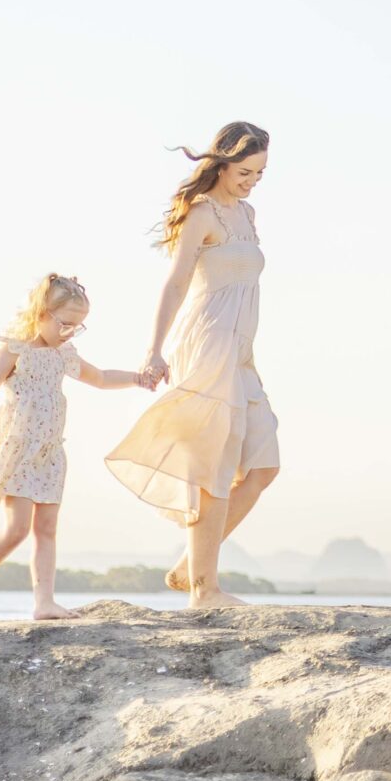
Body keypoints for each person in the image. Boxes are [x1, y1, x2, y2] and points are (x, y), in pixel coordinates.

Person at [103, 121, 281, 608]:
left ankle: (189, 569)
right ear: (220, 163)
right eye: (245, 171)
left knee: (264, 465)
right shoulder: (202, 215)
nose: (252, 180)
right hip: (207, 343)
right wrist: (154, 349)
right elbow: (177, 283)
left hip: (241, 348)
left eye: (260, 173)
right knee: (215, 466)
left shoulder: (246, 213)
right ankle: (206, 590)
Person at [0, 273, 147, 620]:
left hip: (49, 453)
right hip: (18, 449)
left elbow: (101, 378)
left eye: (77, 328)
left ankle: (44, 602)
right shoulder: (16, 347)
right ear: (41, 313)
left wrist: (138, 378)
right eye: (65, 324)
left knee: (46, 528)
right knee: (17, 528)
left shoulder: (64, 354)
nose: (68, 333)